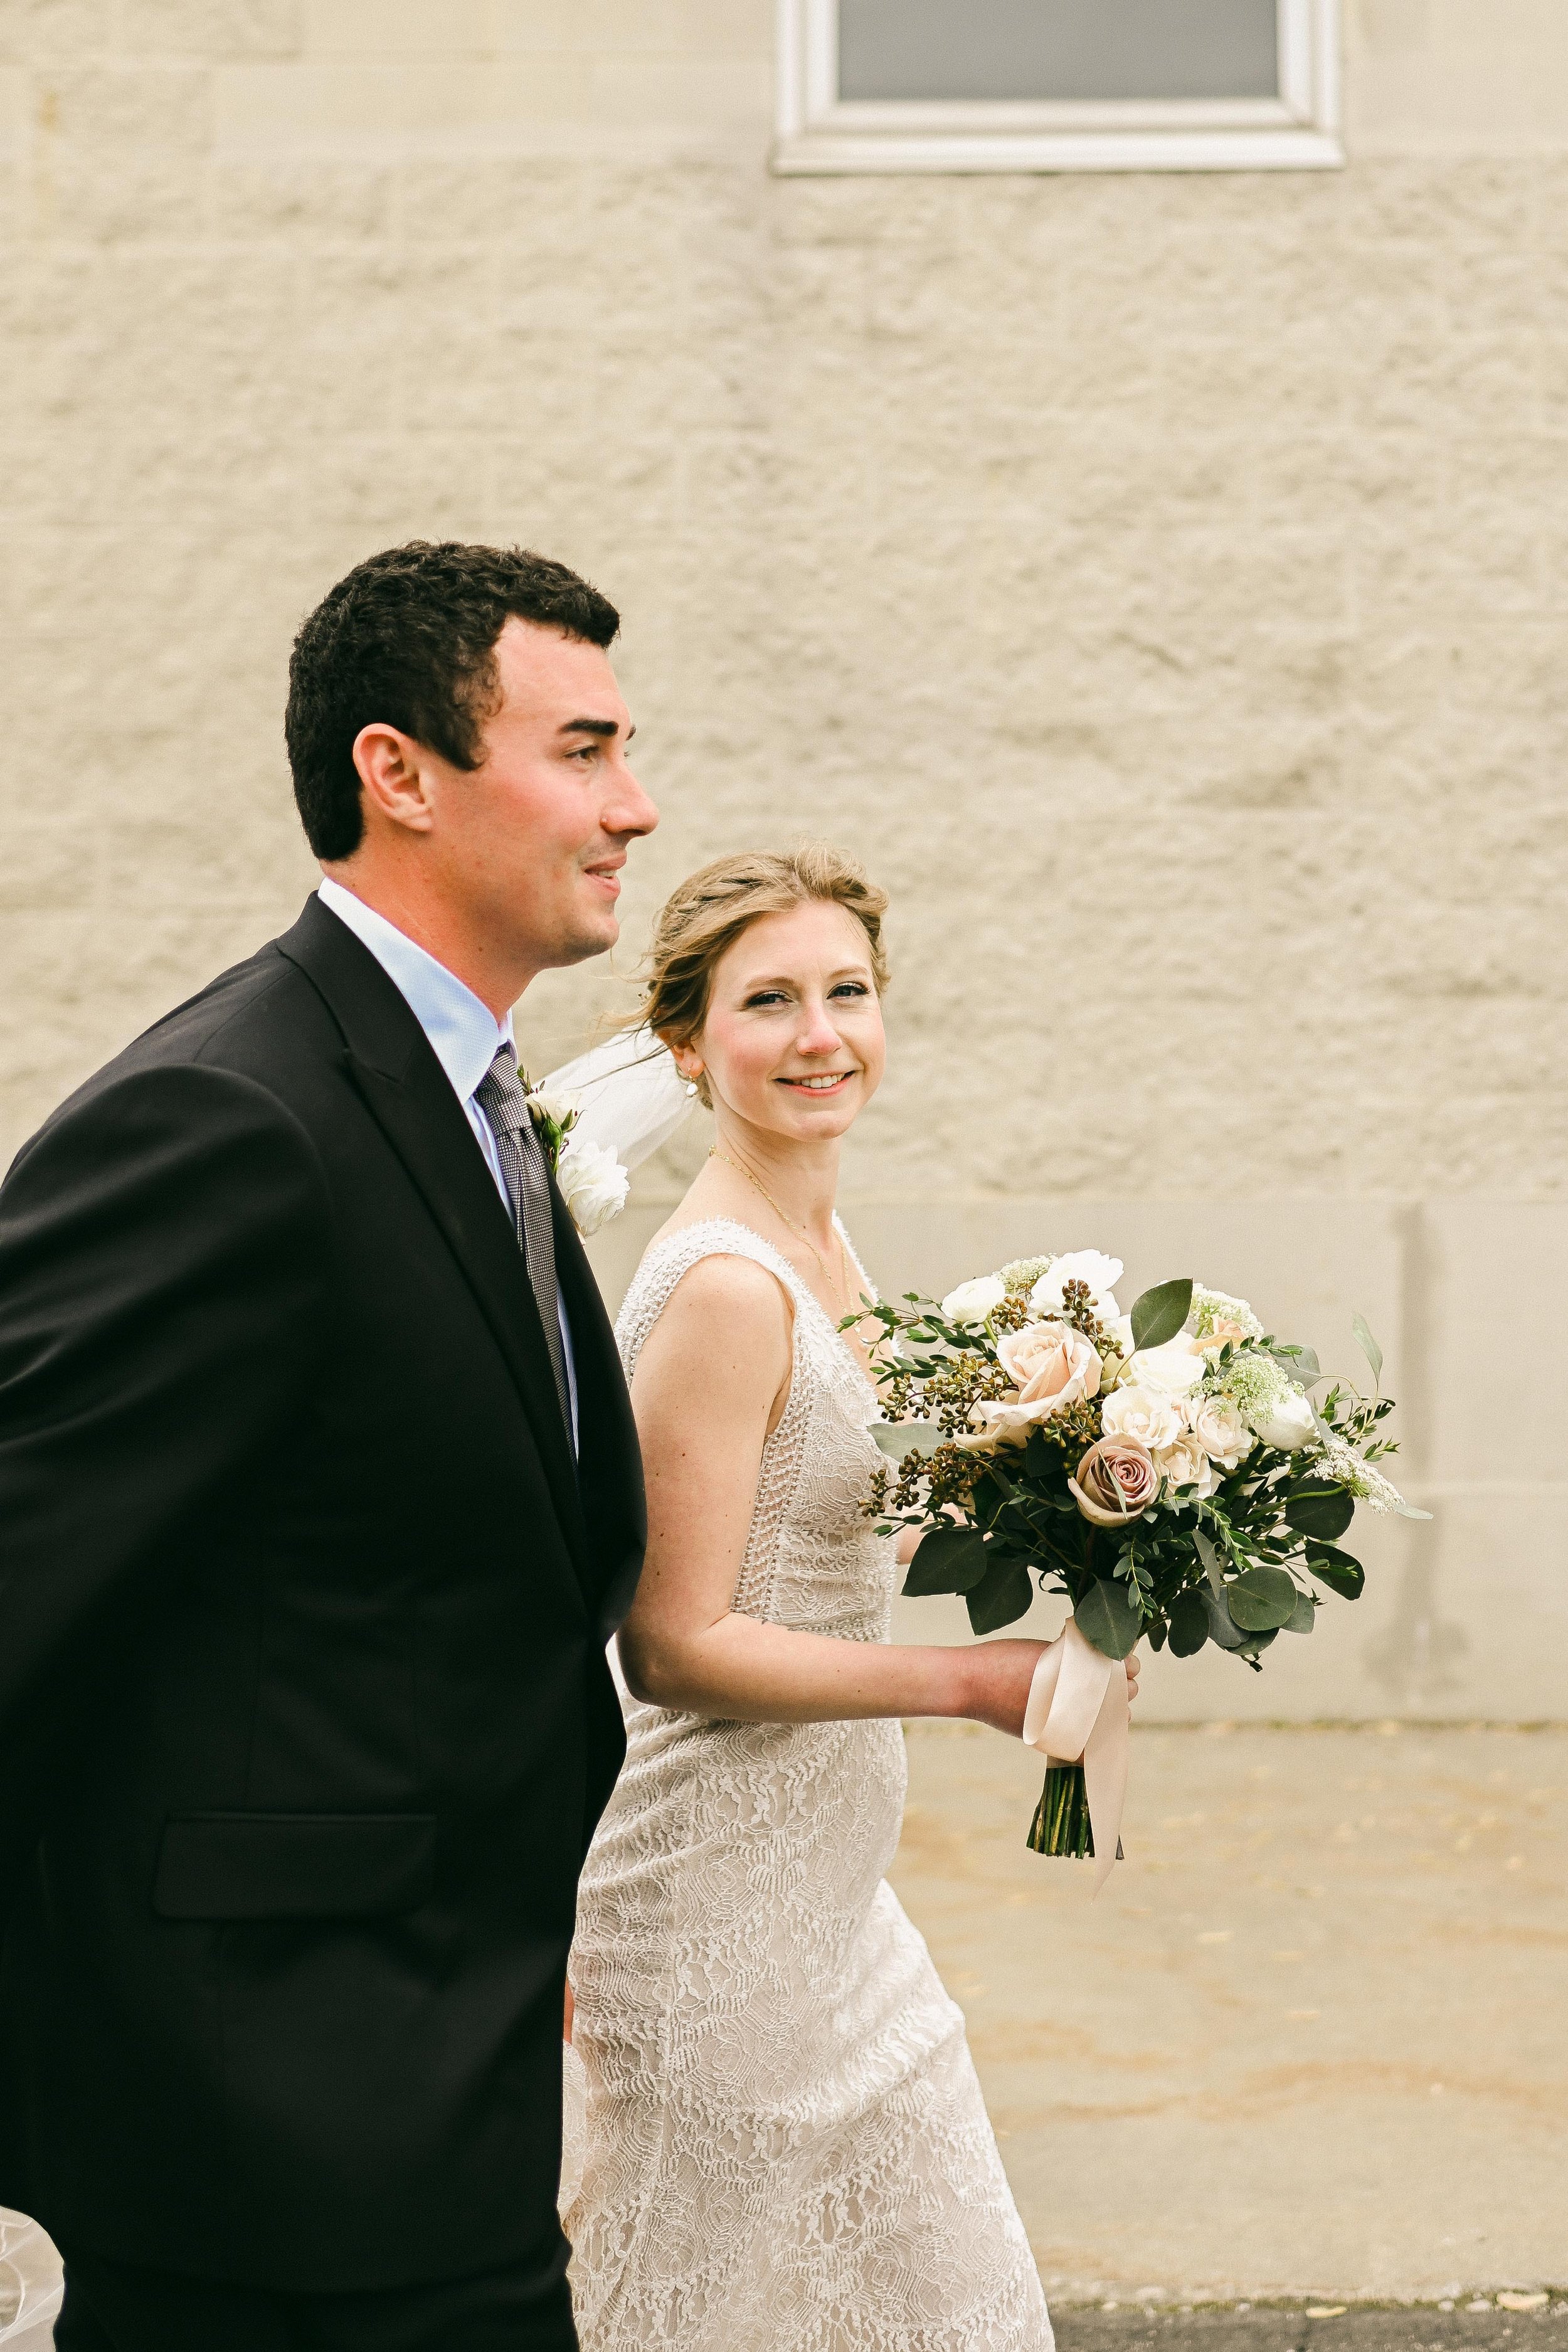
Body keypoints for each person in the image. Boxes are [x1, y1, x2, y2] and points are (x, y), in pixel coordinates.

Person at [0, 541, 657, 2351]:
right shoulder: (230, 1114)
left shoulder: (467, 1093)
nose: (636, 804)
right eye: (585, 748)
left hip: (432, 2071)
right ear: (400, 771)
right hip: (264, 2113)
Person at [563, 846, 1140, 2352]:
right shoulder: (721, 1289)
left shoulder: (825, 1249)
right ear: (686, 1046)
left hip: (836, 1907)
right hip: (709, 1918)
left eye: (847, 992)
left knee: (964, 2317)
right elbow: (676, 1641)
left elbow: (841, 1535)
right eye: (768, 1001)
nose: (820, 1034)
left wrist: (1100, 1484)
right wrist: (975, 1682)